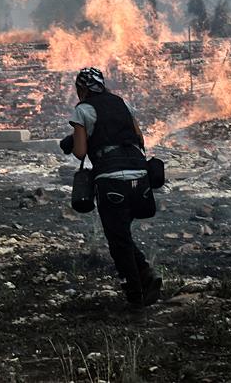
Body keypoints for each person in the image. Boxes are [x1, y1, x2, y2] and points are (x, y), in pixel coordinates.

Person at [60, 67, 162, 311]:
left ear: (81, 88)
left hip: (111, 180)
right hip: (140, 175)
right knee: (122, 234)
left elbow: (81, 152)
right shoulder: (122, 103)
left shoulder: (83, 110)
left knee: (117, 241)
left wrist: (75, 138)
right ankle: (146, 275)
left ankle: (137, 296)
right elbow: (139, 136)